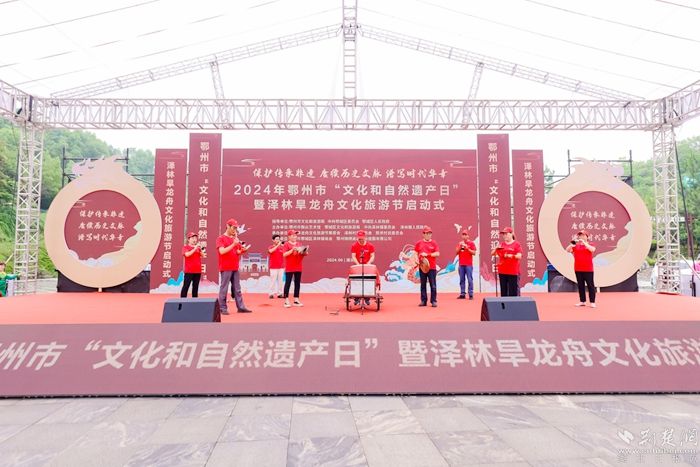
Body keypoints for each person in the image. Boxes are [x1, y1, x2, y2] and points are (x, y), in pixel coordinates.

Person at [216, 218, 252, 314]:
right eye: (233, 227)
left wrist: (243, 250)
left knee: (237, 288)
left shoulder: (235, 239)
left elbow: (237, 251)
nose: (235, 230)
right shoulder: (221, 238)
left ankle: (241, 307)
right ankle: (222, 308)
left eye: (236, 228)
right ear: (228, 226)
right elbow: (222, 251)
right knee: (224, 288)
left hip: (235, 267)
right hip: (225, 267)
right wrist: (233, 244)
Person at [566, 229, 597, 308]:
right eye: (580, 235)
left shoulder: (590, 244)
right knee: (580, 285)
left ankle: (592, 302)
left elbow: (592, 250)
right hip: (578, 269)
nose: (581, 237)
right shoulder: (576, 245)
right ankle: (582, 301)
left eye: (583, 235)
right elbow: (567, 250)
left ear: (587, 237)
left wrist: (584, 243)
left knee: (590, 285)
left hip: (588, 269)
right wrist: (572, 244)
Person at [491, 226, 522, 297]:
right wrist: (496, 248)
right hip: (502, 271)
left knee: (513, 293)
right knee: (504, 292)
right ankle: (504, 304)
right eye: (503, 234)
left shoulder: (516, 244)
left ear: (511, 234)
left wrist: (512, 256)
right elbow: (493, 253)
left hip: (513, 272)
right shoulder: (502, 244)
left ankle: (514, 304)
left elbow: (519, 256)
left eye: (506, 234)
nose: (504, 236)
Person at [281, 229, 308, 308]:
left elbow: (303, 253)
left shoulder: (299, 244)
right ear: (289, 236)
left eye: (295, 235)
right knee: (288, 283)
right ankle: (286, 300)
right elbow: (284, 254)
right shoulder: (286, 244)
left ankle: (296, 300)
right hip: (290, 267)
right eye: (293, 235)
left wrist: (305, 252)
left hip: (298, 266)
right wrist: (292, 249)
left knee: (297, 283)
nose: (295, 237)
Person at [415, 225, 440, 307]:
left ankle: (433, 301)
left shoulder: (434, 243)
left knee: (433, 285)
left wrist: (427, 254)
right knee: (423, 285)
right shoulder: (419, 243)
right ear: (423, 234)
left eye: (430, 233)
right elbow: (415, 253)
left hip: (431, 267)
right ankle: (423, 301)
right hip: (422, 267)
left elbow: (437, 253)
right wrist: (416, 260)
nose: (428, 235)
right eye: (427, 233)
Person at [350, 230, 376, 305]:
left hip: (367, 265)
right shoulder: (354, 245)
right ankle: (357, 297)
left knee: (368, 280)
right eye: (359, 238)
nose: (360, 240)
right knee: (356, 280)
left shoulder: (370, 245)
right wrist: (357, 264)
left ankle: (367, 298)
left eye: (362, 238)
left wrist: (369, 263)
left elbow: (372, 256)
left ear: (365, 237)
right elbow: (353, 256)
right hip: (358, 265)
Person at [180, 232, 205, 298]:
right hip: (189, 271)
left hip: (197, 271)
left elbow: (203, 255)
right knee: (186, 286)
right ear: (188, 239)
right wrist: (195, 248)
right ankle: (182, 301)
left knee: (195, 287)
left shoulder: (198, 248)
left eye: (195, 238)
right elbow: (187, 255)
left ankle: (195, 301)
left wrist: (201, 249)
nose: (194, 239)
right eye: (193, 238)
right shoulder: (185, 247)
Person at [455, 229, 477, 300]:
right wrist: (460, 247)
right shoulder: (460, 243)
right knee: (462, 279)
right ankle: (462, 294)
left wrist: (467, 248)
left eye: (465, 235)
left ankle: (470, 294)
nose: (464, 236)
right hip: (461, 264)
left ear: (468, 236)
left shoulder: (471, 243)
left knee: (470, 279)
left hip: (468, 265)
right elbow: (456, 252)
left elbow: (474, 253)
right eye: (463, 235)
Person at [267, 234, 284, 299]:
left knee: (280, 281)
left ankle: (280, 293)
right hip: (273, 267)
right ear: (273, 240)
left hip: (281, 267)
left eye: (279, 239)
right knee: (273, 281)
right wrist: (277, 245)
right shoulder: (270, 247)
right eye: (276, 239)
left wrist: (282, 246)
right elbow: (270, 251)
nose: (278, 240)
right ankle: (271, 293)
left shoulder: (282, 247)